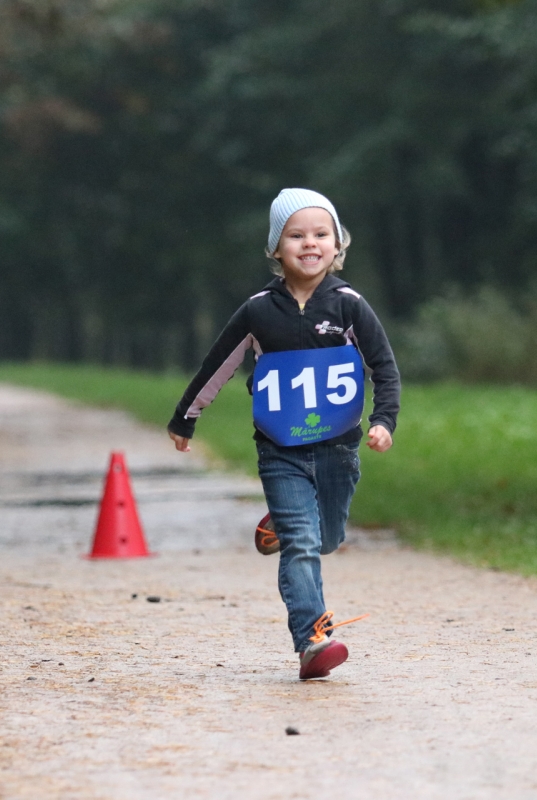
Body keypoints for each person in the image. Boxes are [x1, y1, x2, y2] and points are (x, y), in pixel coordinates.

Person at [167, 188, 401, 680]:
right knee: (302, 542)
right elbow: (219, 365)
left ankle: (283, 520)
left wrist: (383, 421)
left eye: (321, 234)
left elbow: (383, 367)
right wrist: (187, 416)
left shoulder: (349, 307)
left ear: (338, 245)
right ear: (277, 248)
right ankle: (312, 640)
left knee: (328, 537)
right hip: (281, 449)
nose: (310, 243)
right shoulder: (257, 311)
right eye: (296, 235)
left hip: (338, 447)